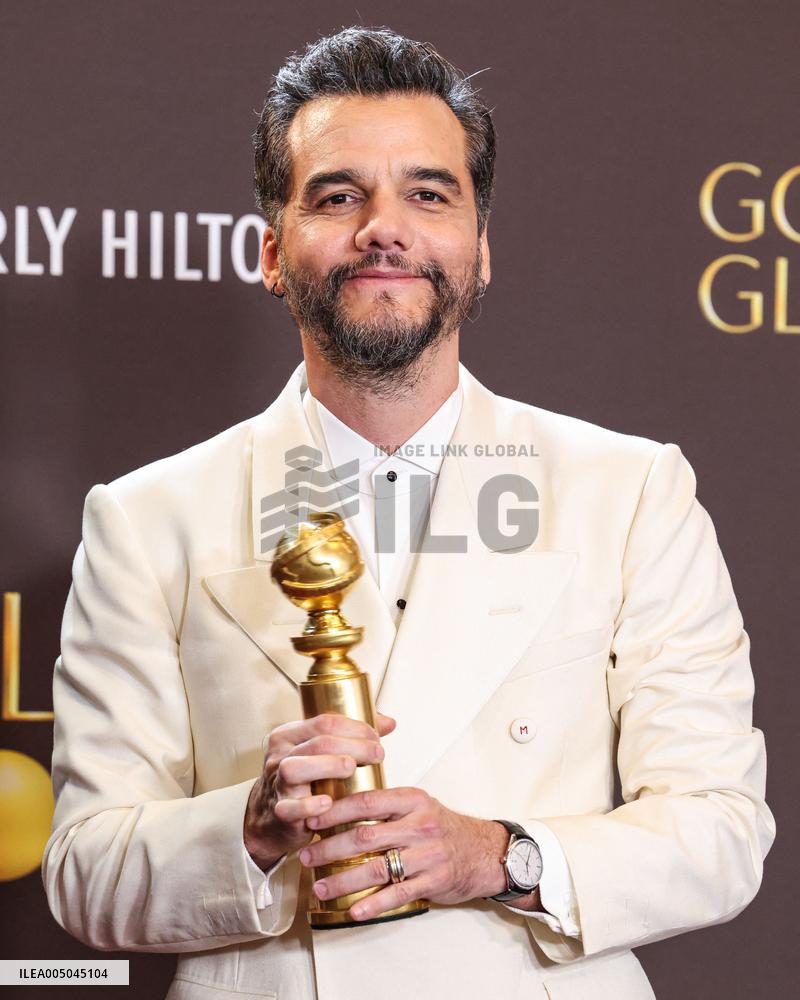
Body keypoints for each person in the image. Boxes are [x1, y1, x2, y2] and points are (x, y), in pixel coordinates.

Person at [42, 25, 775, 1000]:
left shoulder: (630, 491)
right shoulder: (146, 519)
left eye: (427, 194)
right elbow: (85, 870)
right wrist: (251, 828)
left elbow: (720, 830)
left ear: (480, 250)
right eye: (337, 195)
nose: (383, 227)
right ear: (271, 253)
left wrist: (498, 855)